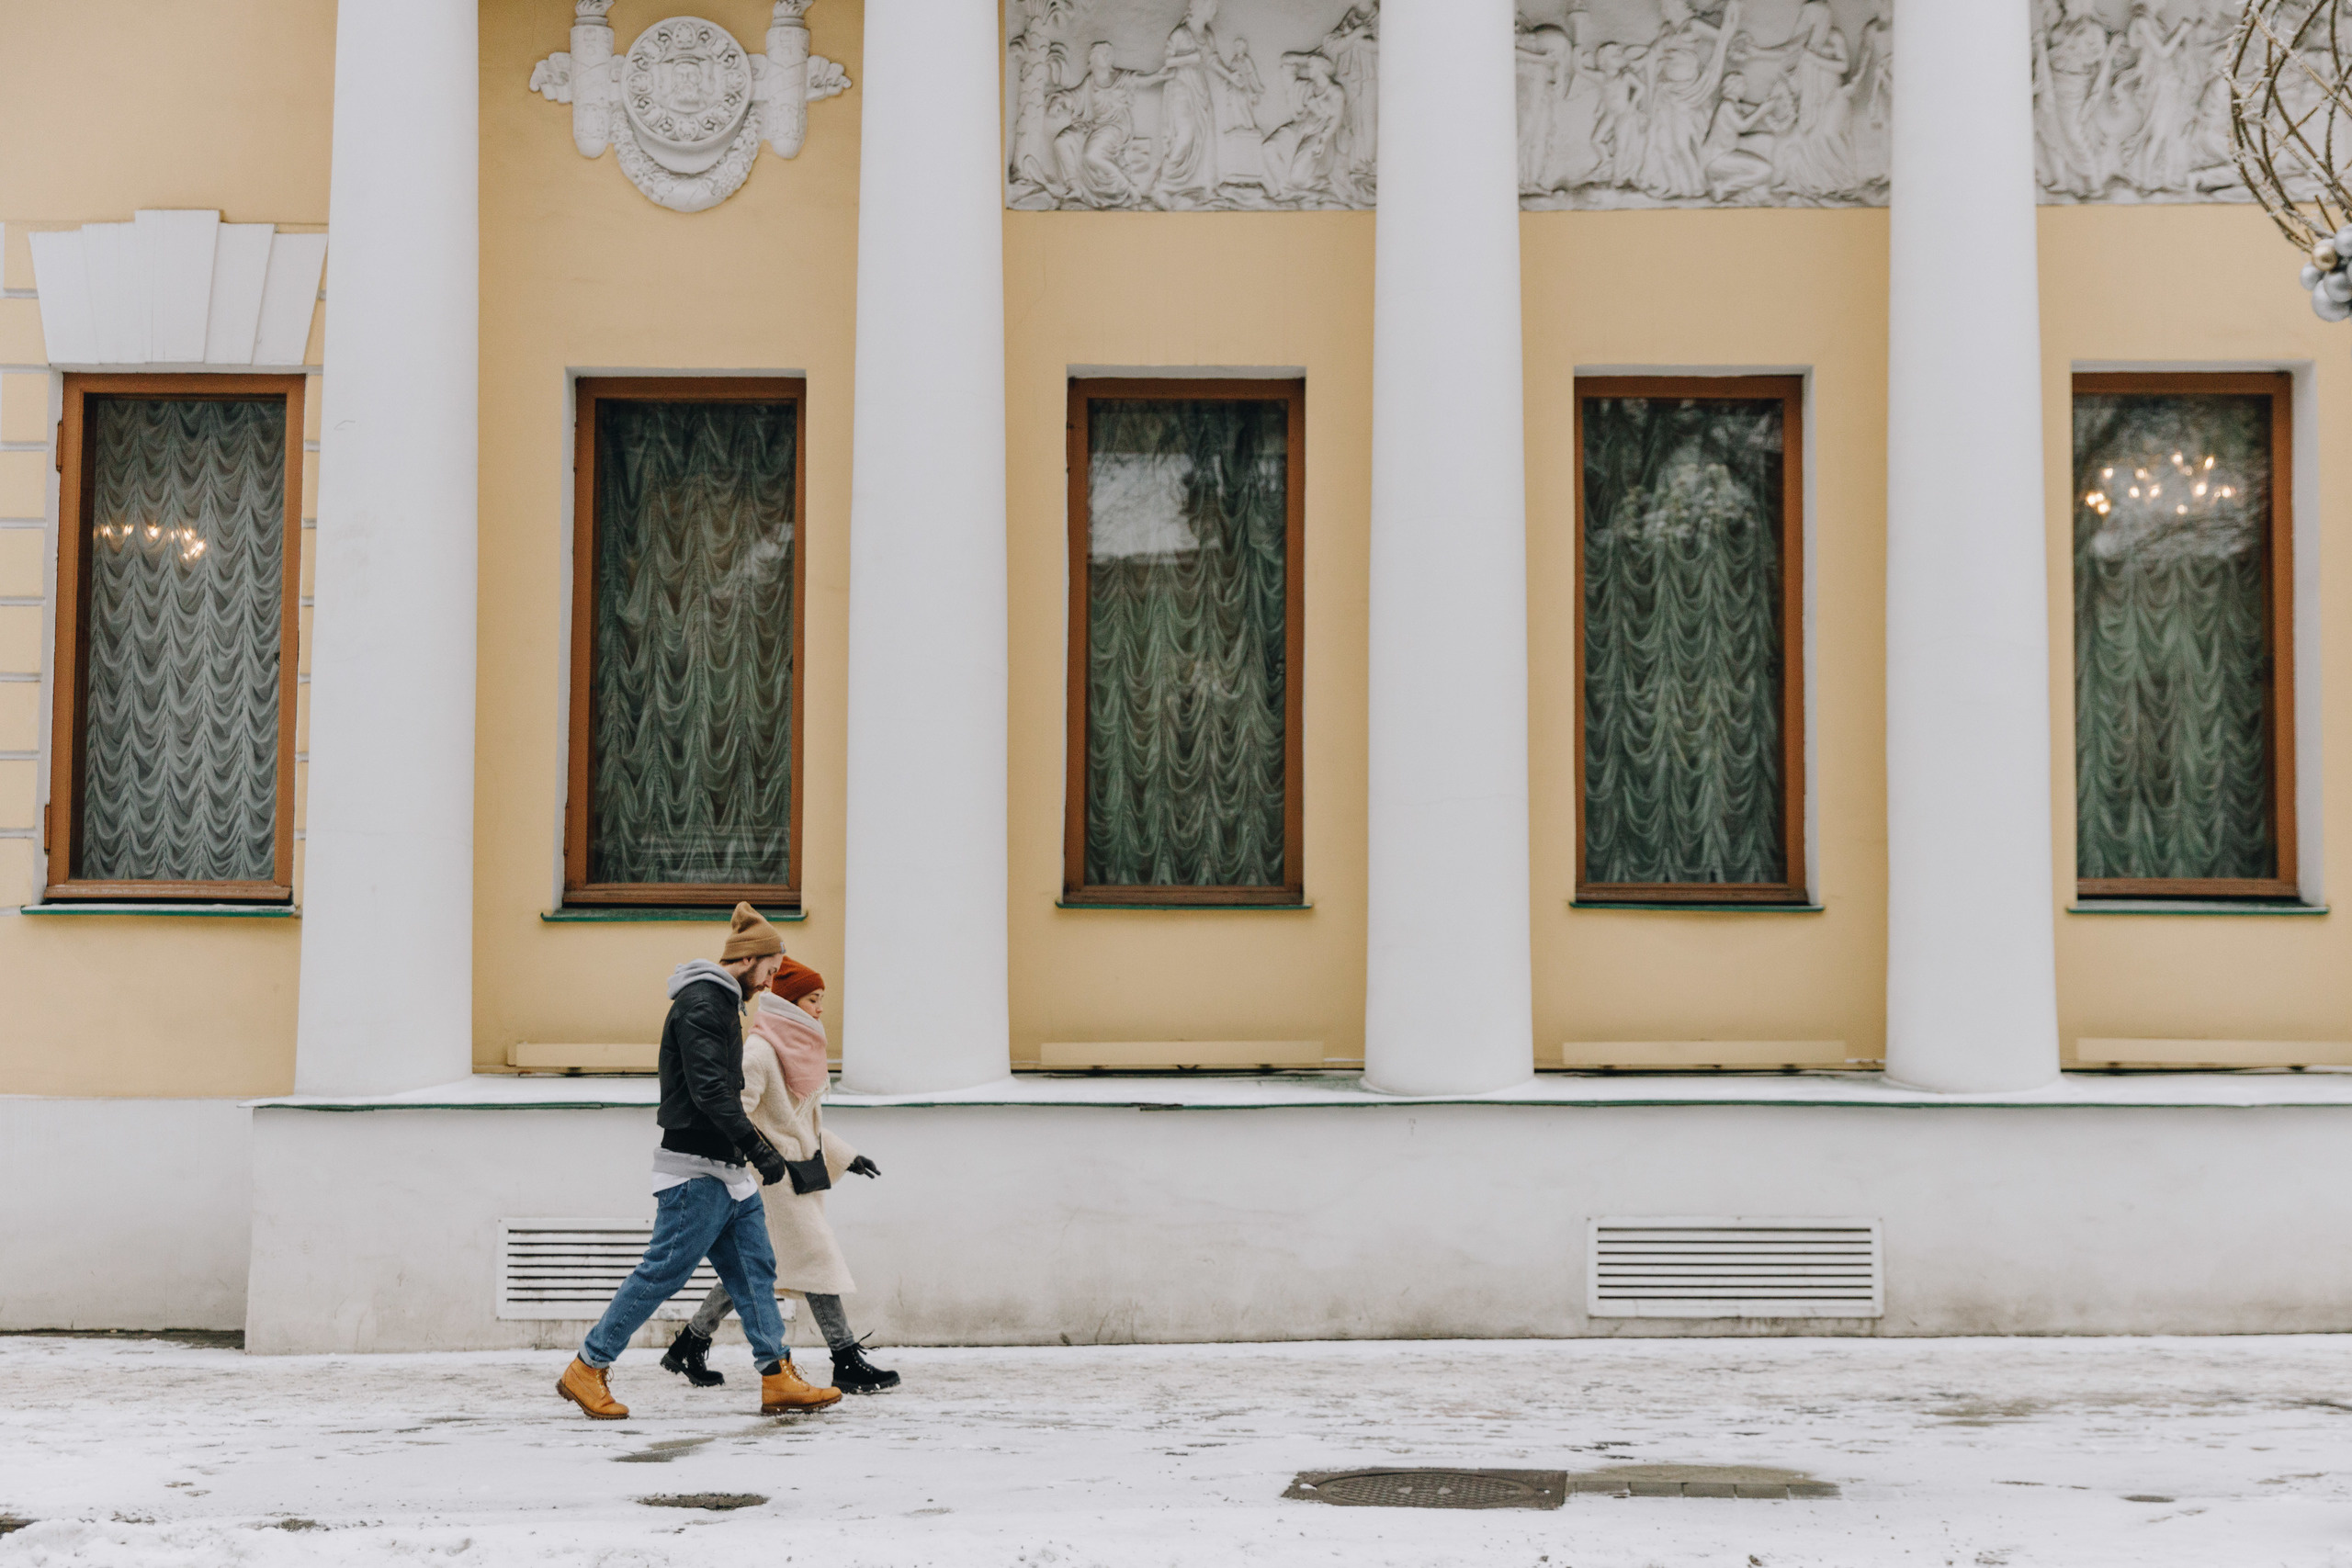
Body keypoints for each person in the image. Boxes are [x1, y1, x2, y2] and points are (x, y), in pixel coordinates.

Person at [555, 904, 843, 1420]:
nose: (771, 983)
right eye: (771, 971)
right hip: (695, 1170)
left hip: (727, 1172)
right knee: (663, 1271)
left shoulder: (721, 1002)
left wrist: (747, 1155)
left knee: (755, 1272)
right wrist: (761, 1150)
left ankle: (777, 1375)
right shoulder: (703, 1004)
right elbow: (712, 1092)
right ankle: (587, 1367)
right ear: (749, 959)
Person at [662, 958, 899, 1395]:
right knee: (817, 1257)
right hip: (770, 1181)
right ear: (790, 1002)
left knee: (751, 1270)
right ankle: (845, 1359)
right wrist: (764, 1161)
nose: (820, 1009)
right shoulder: (760, 1053)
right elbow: (735, 1116)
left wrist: (847, 1156)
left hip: (794, 1177)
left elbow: (798, 1120)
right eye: (813, 999)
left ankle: (689, 1344)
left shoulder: (790, 1051)